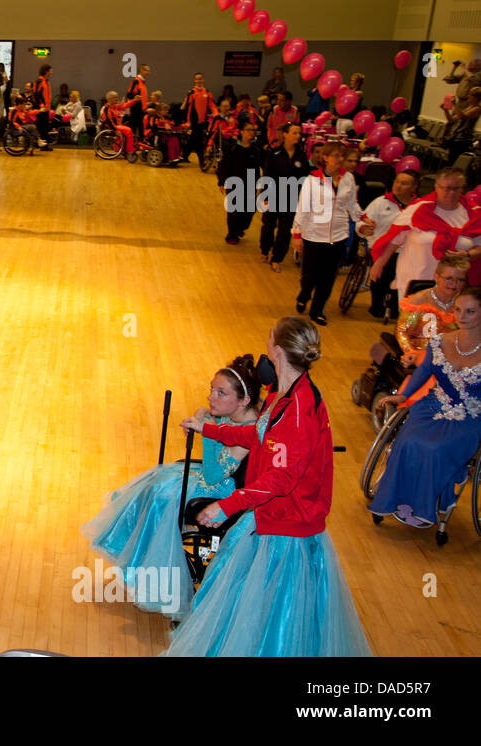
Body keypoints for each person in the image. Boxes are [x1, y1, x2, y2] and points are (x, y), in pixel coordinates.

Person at [169, 317, 371, 656]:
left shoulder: (298, 410)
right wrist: (211, 430)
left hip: (286, 530)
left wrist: (226, 505)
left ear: (276, 348)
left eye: (270, 335)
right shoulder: (284, 393)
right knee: (237, 592)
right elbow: (257, 434)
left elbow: (282, 479)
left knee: (271, 613)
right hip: (270, 516)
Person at [84, 357, 260, 619]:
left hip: (218, 492)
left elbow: (213, 475)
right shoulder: (233, 414)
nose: (212, 397)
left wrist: (208, 431)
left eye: (221, 393)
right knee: (155, 482)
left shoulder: (248, 431)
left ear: (244, 400)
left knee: (161, 495)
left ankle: (151, 572)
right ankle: (136, 560)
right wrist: (206, 419)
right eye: (212, 389)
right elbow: (208, 416)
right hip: (208, 479)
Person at [369, 287, 481, 529]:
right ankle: (399, 500)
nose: (462, 316)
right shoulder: (441, 341)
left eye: (470, 311)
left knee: (433, 448)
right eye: (458, 310)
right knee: (407, 441)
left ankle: (424, 505)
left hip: (470, 417)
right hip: (432, 406)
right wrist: (403, 395)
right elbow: (424, 371)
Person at [371, 167, 480, 302]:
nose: (451, 193)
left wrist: (468, 254)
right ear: (436, 187)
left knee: (444, 322)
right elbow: (394, 239)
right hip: (416, 282)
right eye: (447, 188)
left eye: (457, 188)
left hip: (453, 288)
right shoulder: (418, 209)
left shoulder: (473, 213)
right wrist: (379, 264)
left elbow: (479, 246)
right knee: (412, 322)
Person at [291, 142, 364, 325]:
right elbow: (302, 208)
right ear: (325, 157)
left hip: (338, 235)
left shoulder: (348, 179)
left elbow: (352, 205)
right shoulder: (312, 179)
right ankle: (304, 294)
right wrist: (297, 235)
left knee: (328, 277)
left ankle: (317, 310)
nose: (340, 160)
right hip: (314, 235)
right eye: (336, 156)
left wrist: (362, 219)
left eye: (342, 156)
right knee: (310, 275)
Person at [363, 170, 421, 318]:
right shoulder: (381, 202)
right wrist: (364, 228)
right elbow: (362, 221)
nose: (398, 186)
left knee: (406, 276)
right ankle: (377, 303)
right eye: (397, 182)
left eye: (404, 183)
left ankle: (397, 305)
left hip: (408, 251)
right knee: (384, 273)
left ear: (414, 188)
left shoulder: (420, 207)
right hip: (381, 248)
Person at [259, 123, 309, 271]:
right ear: (285, 134)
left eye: (299, 133)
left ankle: (277, 258)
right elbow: (267, 175)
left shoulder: (302, 156)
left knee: (285, 230)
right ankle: (264, 249)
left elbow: (304, 178)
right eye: (294, 133)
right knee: (268, 226)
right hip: (274, 196)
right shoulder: (274, 154)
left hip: (292, 199)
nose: (298, 136)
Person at [217, 121, 264, 245]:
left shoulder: (256, 149)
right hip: (234, 184)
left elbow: (263, 166)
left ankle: (240, 227)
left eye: (253, 130)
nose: (251, 132)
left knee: (249, 209)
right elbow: (223, 166)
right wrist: (222, 181)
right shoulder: (232, 148)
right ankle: (232, 234)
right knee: (234, 211)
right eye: (248, 130)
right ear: (241, 132)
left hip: (251, 184)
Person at [443, 86, 480, 163]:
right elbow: (451, 120)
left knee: (454, 161)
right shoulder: (467, 108)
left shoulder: (477, 109)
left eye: (471, 95)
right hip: (455, 137)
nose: (468, 96)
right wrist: (445, 110)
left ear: (477, 97)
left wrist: (455, 105)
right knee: (450, 160)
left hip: (463, 139)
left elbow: (463, 117)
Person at [183, 73, 214, 163]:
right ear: (194, 80)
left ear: (203, 80)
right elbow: (188, 109)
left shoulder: (207, 92)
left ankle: (185, 155)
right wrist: (188, 121)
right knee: (198, 140)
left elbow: (211, 105)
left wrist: (215, 113)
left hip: (203, 120)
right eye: (197, 79)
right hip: (194, 120)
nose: (199, 81)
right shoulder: (191, 93)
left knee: (194, 138)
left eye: (200, 79)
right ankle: (201, 158)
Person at [101, 91, 136, 157]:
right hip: (110, 127)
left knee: (128, 127)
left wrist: (134, 100)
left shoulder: (115, 106)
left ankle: (121, 148)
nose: (117, 99)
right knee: (128, 130)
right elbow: (108, 121)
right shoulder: (106, 108)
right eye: (115, 98)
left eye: (116, 97)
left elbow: (124, 105)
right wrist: (115, 130)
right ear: (109, 99)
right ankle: (130, 151)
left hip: (117, 126)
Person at [126, 63, 150, 143]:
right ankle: (131, 145)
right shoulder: (136, 81)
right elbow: (129, 94)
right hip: (136, 108)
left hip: (141, 109)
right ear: (141, 70)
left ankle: (139, 143)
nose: (148, 72)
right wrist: (135, 98)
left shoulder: (142, 83)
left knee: (140, 127)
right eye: (146, 70)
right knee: (135, 127)